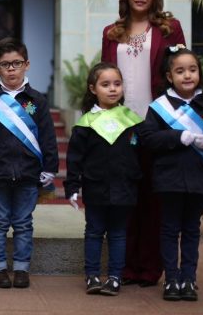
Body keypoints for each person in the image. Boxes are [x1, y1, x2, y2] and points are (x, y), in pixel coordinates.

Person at [101, 0, 186, 287]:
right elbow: (102, 76)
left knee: (154, 198)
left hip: (157, 125)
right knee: (124, 198)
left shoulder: (169, 29)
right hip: (121, 126)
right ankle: (124, 265)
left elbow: (181, 71)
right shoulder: (112, 33)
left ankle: (150, 267)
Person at [0, 37, 59, 289]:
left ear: (26, 64)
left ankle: (21, 269)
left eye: (16, 63)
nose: (11, 69)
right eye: (5, 64)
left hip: (28, 173)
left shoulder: (35, 100)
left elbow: (47, 136)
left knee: (23, 224)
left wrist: (50, 167)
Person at [140, 47, 203, 302]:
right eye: (180, 71)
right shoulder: (159, 108)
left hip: (199, 179)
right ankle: (171, 278)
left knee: (191, 230)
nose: (187, 75)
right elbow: (148, 138)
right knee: (169, 229)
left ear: (199, 73)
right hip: (169, 179)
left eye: (192, 70)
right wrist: (177, 136)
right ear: (170, 77)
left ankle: (188, 278)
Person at [63, 62, 142, 296]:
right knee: (94, 231)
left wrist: (135, 177)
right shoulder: (86, 124)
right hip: (95, 187)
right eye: (105, 84)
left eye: (117, 84)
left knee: (118, 233)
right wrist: (72, 186)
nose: (112, 89)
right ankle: (92, 276)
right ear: (93, 89)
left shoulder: (132, 121)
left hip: (124, 188)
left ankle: (115, 277)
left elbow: (141, 152)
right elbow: (75, 158)